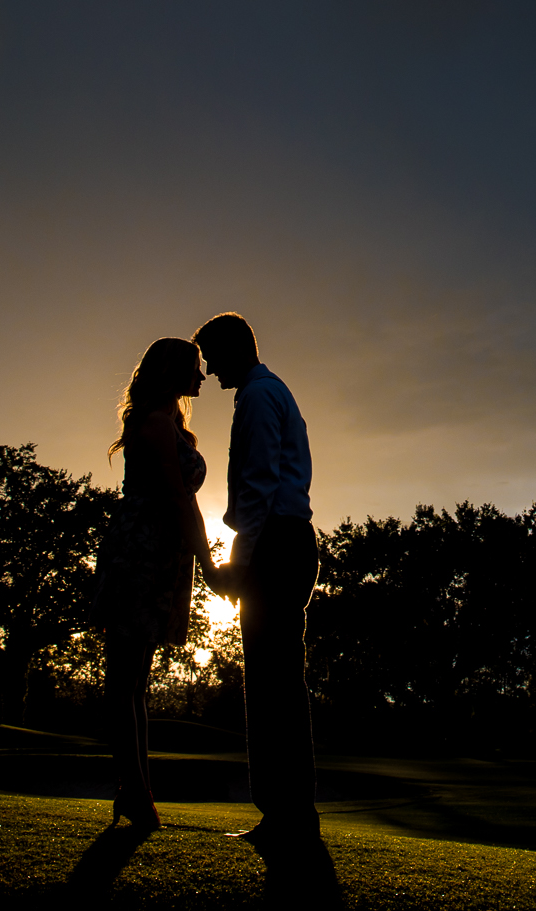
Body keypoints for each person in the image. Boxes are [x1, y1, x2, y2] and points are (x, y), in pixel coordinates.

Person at [193, 311, 319, 846]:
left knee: (274, 685)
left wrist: (238, 564)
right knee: (279, 682)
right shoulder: (267, 393)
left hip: (276, 546)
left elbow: (260, 485)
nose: (209, 371)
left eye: (212, 357)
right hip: (284, 543)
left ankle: (285, 815)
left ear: (235, 349)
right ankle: (288, 813)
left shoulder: (259, 396)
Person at [88, 337, 212, 829]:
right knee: (124, 680)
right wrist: (207, 560)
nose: (201, 377)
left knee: (136, 682)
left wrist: (197, 559)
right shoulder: (158, 424)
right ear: (174, 372)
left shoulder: (170, 424)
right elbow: (179, 499)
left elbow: (186, 501)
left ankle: (136, 791)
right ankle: (134, 791)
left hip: (161, 554)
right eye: (195, 369)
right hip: (140, 552)